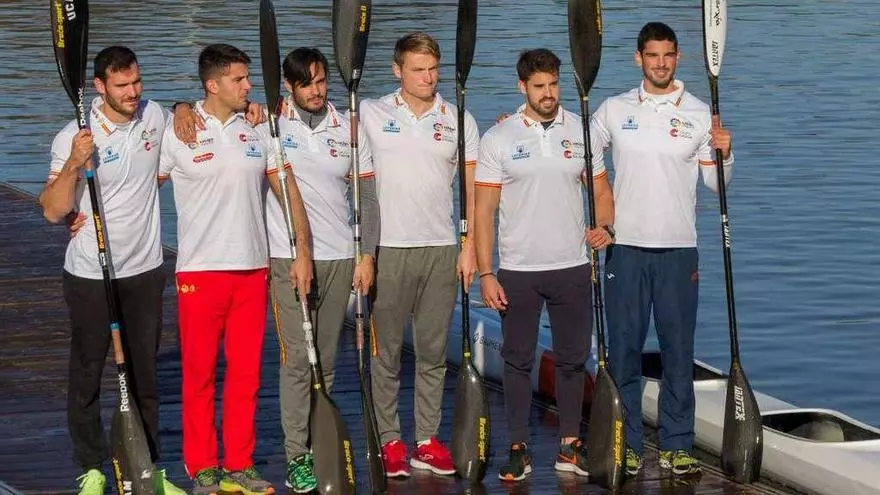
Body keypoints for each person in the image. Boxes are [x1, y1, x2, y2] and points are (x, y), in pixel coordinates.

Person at [158, 43, 313, 495]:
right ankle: (203, 466)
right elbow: (139, 185)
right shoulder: (179, 131)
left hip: (251, 270)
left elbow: (287, 190)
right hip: (199, 272)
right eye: (238, 79)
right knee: (200, 375)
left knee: (246, 376)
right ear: (213, 84)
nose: (248, 86)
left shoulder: (258, 128)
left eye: (247, 78)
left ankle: (240, 464)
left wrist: (303, 251)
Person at [39, 46, 187, 495]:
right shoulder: (73, 135)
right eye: (122, 85)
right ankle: (91, 467)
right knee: (87, 371)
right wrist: (74, 163)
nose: (132, 92)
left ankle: (148, 468)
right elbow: (52, 210)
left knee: (144, 375)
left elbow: (189, 115)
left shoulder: (154, 116)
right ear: (99, 86)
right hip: (89, 273)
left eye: (137, 82)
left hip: (144, 270)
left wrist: (184, 106)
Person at [590, 22, 733, 476]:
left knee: (677, 353)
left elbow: (717, 184)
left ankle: (676, 445)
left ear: (678, 58)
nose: (660, 63)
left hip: (678, 251)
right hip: (626, 250)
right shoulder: (613, 109)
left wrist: (725, 153)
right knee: (624, 352)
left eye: (668, 55)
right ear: (638, 58)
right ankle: (628, 444)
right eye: (652, 56)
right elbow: (580, 152)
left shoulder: (698, 113)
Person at [474, 49, 614, 481]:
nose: (548, 93)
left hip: (572, 266)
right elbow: (483, 212)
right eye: (539, 86)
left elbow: (602, 192)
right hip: (518, 271)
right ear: (522, 87)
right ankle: (518, 448)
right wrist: (486, 272)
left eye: (553, 84)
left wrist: (606, 226)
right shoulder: (498, 138)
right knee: (517, 361)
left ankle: (569, 446)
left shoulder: (582, 131)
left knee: (573, 360)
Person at [359, 32, 479, 478]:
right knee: (386, 354)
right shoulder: (369, 113)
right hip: (388, 249)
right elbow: (312, 120)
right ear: (398, 70)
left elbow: (471, 188)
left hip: (441, 248)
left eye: (433, 69)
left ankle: (426, 440)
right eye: (417, 70)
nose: (428, 78)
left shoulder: (458, 118)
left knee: (432, 352)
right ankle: (390, 440)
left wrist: (470, 246)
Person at [267, 47, 378, 493]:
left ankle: (319, 445)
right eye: (306, 84)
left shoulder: (347, 126)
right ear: (289, 87)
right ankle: (296, 455)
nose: (316, 91)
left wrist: (367, 255)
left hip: (339, 256)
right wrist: (181, 107)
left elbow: (367, 197)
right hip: (288, 257)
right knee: (298, 360)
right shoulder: (270, 123)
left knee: (326, 363)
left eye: (320, 81)